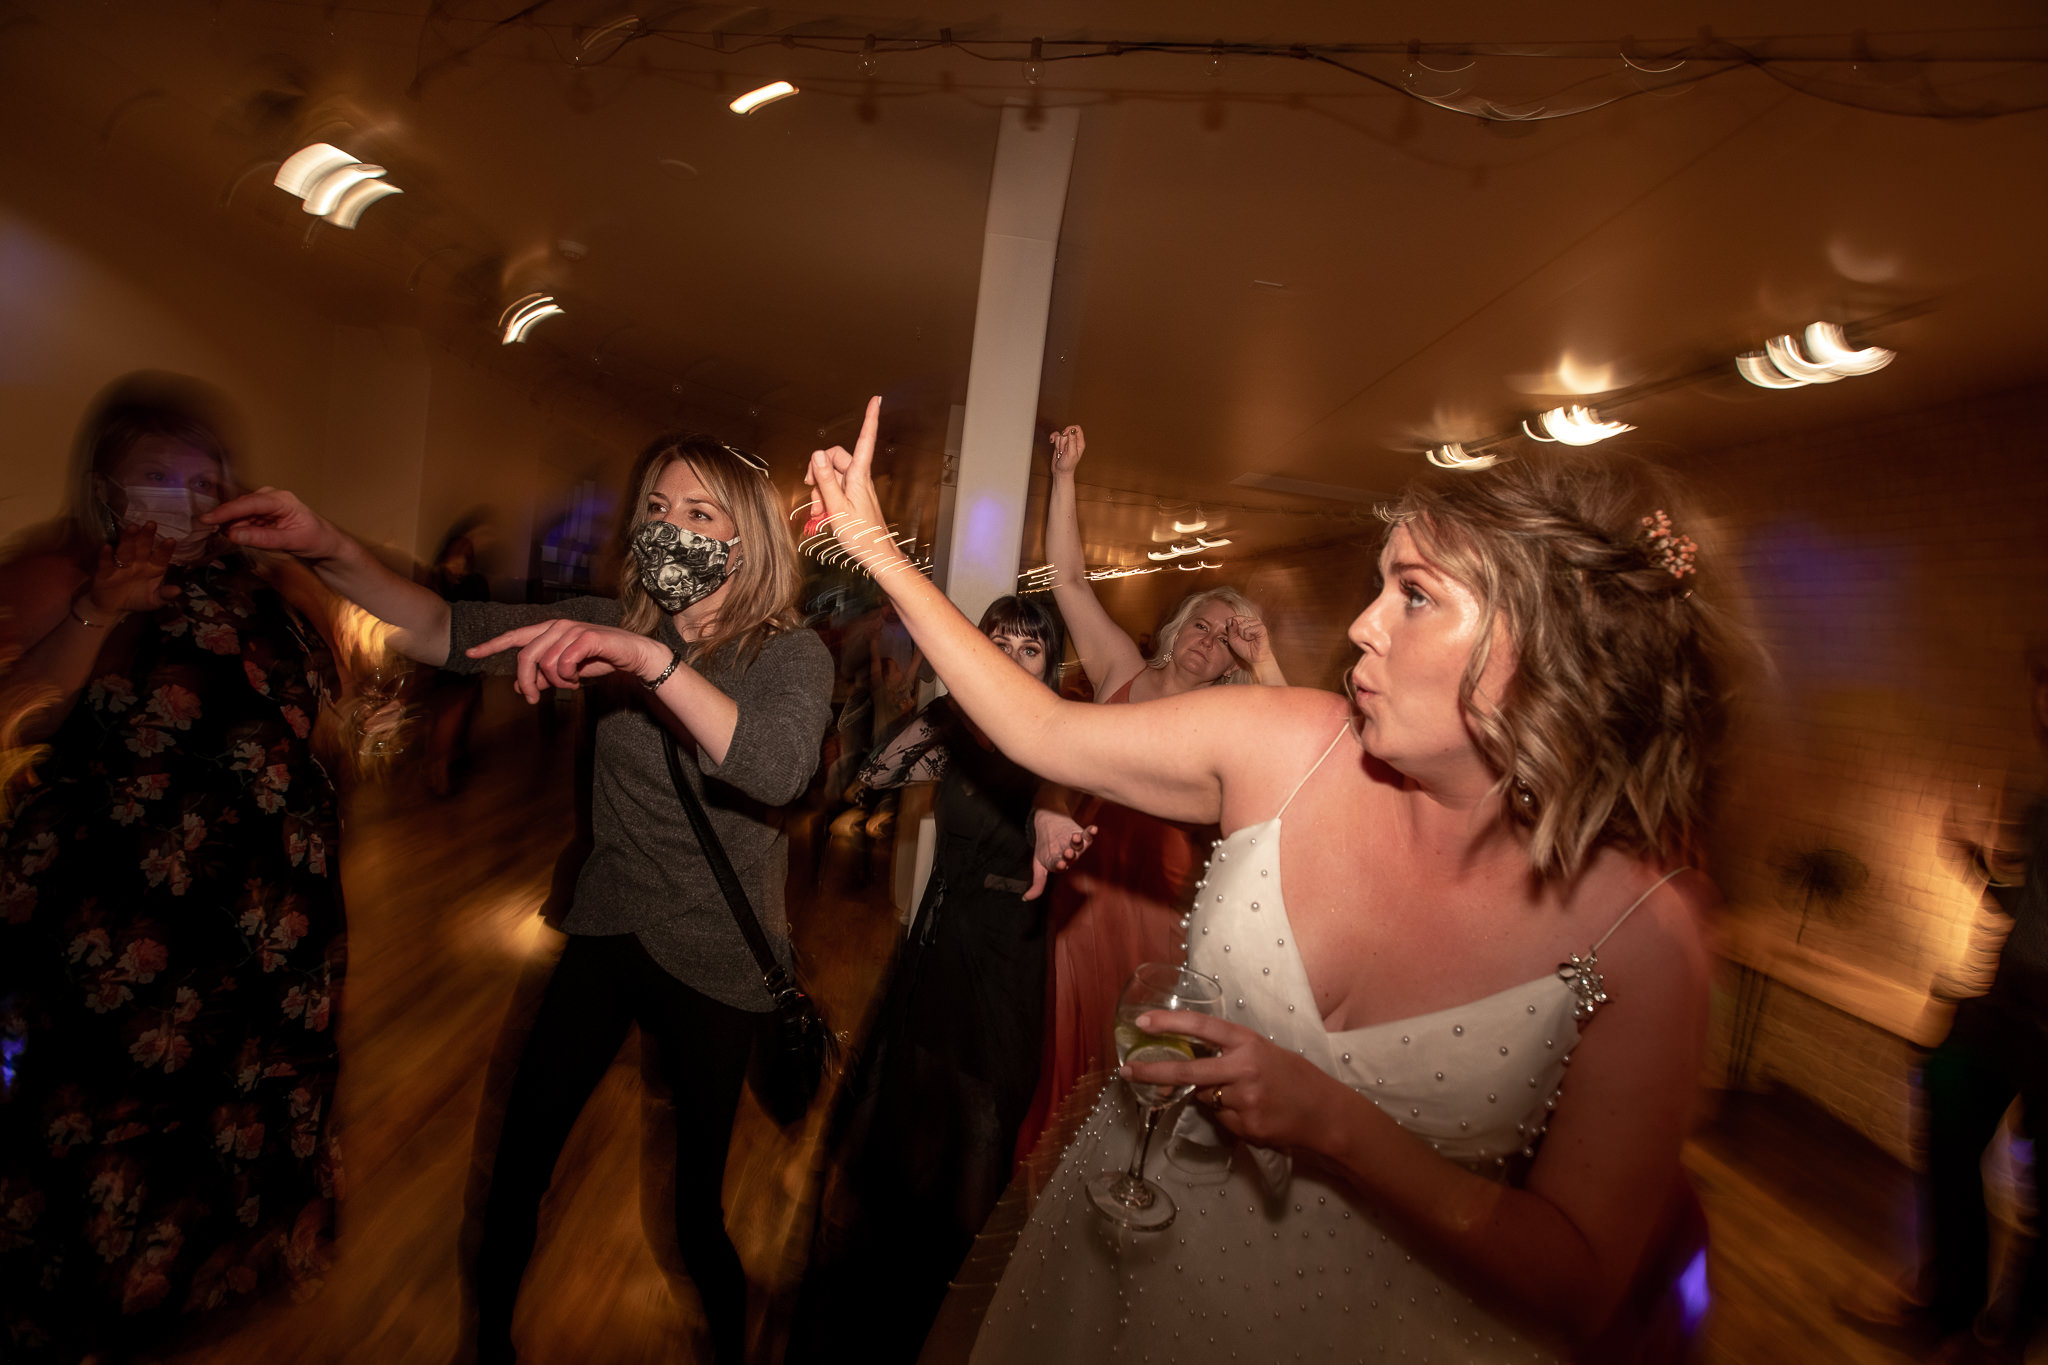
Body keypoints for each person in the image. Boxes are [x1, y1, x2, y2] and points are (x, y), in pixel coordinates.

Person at [805, 399, 1732, 1361]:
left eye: (1413, 594)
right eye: (1380, 588)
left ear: (1543, 649)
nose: (1365, 625)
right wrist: (875, 547)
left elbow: (1581, 1278)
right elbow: (1042, 730)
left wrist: (1340, 1128)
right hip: (1131, 1258)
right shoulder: (1284, 743)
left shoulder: (1645, 936)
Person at [205, 433, 833, 1365]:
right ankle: (485, 1346)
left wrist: (644, 661)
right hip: (606, 924)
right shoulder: (605, 617)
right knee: (516, 1163)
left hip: (718, 959)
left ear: (749, 543)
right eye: (658, 510)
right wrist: (326, 544)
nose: (671, 529)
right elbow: (437, 627)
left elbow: (775, 769)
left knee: (692, 1210)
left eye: (700, 514)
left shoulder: (791, 658)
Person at [0, 376, 349, 1362]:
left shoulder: (270, 588)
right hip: (121, 941)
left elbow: (326, 717)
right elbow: (18, 714)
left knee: (225, 1156)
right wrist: (94, 611)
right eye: (157, 475)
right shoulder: (54, 573)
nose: (185, 499)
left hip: (265, 937)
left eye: (206, 480)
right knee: (107, 1160)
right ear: (106, 491)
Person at [786, 594, 1091, 1364]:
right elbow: (876, 773)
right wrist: (946, 697)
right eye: (999, 644)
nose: (1014, 659)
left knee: (978, 1135)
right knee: (905, 1123)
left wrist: (1054, 810)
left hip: (1005, 961)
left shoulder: (1066, 738)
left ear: (1050, 665)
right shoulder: (959, 733)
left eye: (1030, 649)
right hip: (939, 943)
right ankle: (884, 1305)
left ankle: (949, 1328)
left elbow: (1062, 789)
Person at [1016, 424, 1288, 1162]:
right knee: (1072, 1052)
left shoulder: (1229, 717)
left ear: (1235, 659)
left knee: (1140, 1056)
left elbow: (1293, 749)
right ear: (1176, 628)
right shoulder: (1117, 668)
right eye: (1202, 621)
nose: (1209, 637)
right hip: (1089, 897)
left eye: (1227, 637)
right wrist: (1066, 475)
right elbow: (1068, 580)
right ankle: (1058, 1190)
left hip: (1159, 912)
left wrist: (1263, 659)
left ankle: (1128, 1178)